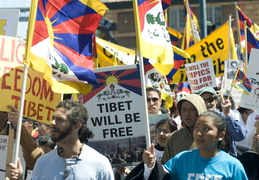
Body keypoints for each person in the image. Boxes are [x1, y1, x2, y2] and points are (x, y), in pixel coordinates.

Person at [7, 100, 114, 180]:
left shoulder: (99, 163)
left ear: (77, 125)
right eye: (53, 118)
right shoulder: (43, 163)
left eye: (60, 119)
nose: (53, 123)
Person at [142, 111, 248, 180]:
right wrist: (150, 165)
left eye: (206, 128)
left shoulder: (233, 166)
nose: (199, 133)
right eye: (197, 128)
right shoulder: (182, 159)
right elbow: (160, 177)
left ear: (221, 135)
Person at [198, 86, 247, 156]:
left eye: (210, 99)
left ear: (216, 101)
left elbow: (240, 136)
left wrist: (228, 115)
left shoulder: (225, 117)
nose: (207, 104)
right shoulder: (197, 120)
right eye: (203, 101)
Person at [161, 94, 207, 164]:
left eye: (192, 110)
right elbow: (166, 166)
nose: (187, 114)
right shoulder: (174, 138)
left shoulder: (210, 136)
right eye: (184, 110)